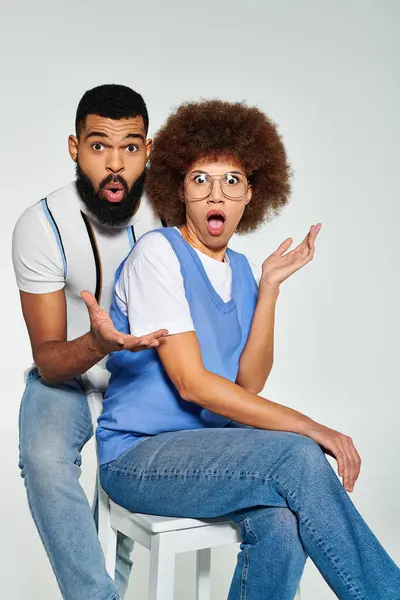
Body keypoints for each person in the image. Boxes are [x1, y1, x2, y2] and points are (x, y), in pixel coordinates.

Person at [97, 99, 400, 599]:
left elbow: (247, 384)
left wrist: (270, 288)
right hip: (139, 459)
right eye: (200, 179)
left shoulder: (239, 268)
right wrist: (310, 426)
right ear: (180, 189)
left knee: (282, 523)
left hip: (211, 457)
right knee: (299, 457)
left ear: (251, 194)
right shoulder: (158, 254)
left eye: (231, 180)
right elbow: (193, 385)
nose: (216, 192)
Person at [12, 84, 168, 600]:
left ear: (149, 150)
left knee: (128, 493)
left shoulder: (171, 212)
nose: (116, 164)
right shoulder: (41, 224)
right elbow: (50, 359)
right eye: (100, 146)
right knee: (40, 455)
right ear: (75, 148)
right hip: (70, 376)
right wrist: (100, 343)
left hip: (146, 375)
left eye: (130, 146)